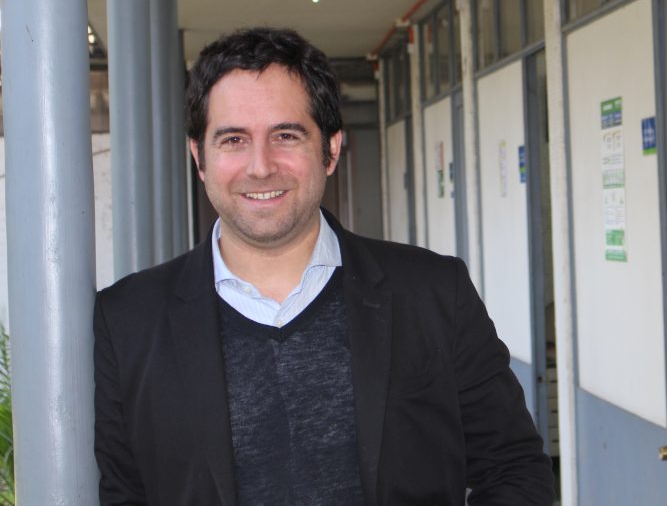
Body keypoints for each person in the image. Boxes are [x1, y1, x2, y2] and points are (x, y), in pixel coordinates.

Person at [93, 27, 554, 505]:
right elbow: (123, 496)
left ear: (330, 150)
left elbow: (514, 469)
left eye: (285, 135)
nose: (260, 166)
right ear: (199, 157)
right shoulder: (128, 321)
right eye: (233, 139)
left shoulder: (433, 293)